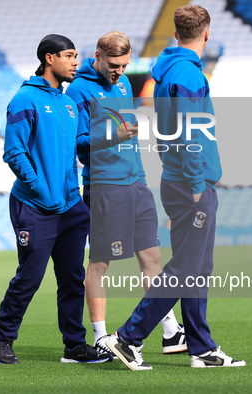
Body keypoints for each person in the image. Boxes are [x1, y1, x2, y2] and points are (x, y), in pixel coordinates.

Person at [106, 5, 246, 370]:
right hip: (190, 182)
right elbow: (190, 131)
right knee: (186, 267)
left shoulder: (170, 69)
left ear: (177, 31)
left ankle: (201, 348)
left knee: (197, 267)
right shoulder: (188, 75)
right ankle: (128, 337)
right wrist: (199, 182)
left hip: (177, 178)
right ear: (207, 32)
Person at [0, 34, 136, 365]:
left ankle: (74, 347)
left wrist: (72, 196)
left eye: (76, 57)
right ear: (49, 58)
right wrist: (39, 187)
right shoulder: (24, 99)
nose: (75, 62)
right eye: (69, 56)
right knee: (30, 277)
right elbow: (14, 152)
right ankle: (2, 338)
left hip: (71, 208)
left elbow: (73, 154)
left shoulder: (68, 104)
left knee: (72, 279)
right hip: (34, 206)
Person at [65, 31, 186, 356]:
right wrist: (113, 136)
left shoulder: (123, 84)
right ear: (99, 56)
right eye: (114, 65)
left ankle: (170, 331)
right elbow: (78, 146)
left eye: (124, 65)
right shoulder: (78, 89)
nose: (119, 71)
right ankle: (101, 337)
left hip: (136, 182)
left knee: (152, 258)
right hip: (104, 185)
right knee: (100, 264)